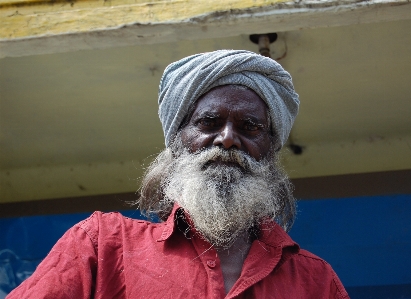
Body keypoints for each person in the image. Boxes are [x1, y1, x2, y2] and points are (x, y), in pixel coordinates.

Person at [7, 50, 349, 299]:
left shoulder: (315, 281)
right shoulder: (102, 246)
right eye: (209, 123)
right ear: (177, 140)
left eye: (250, 127)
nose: (228, 138)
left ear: (270, 148)